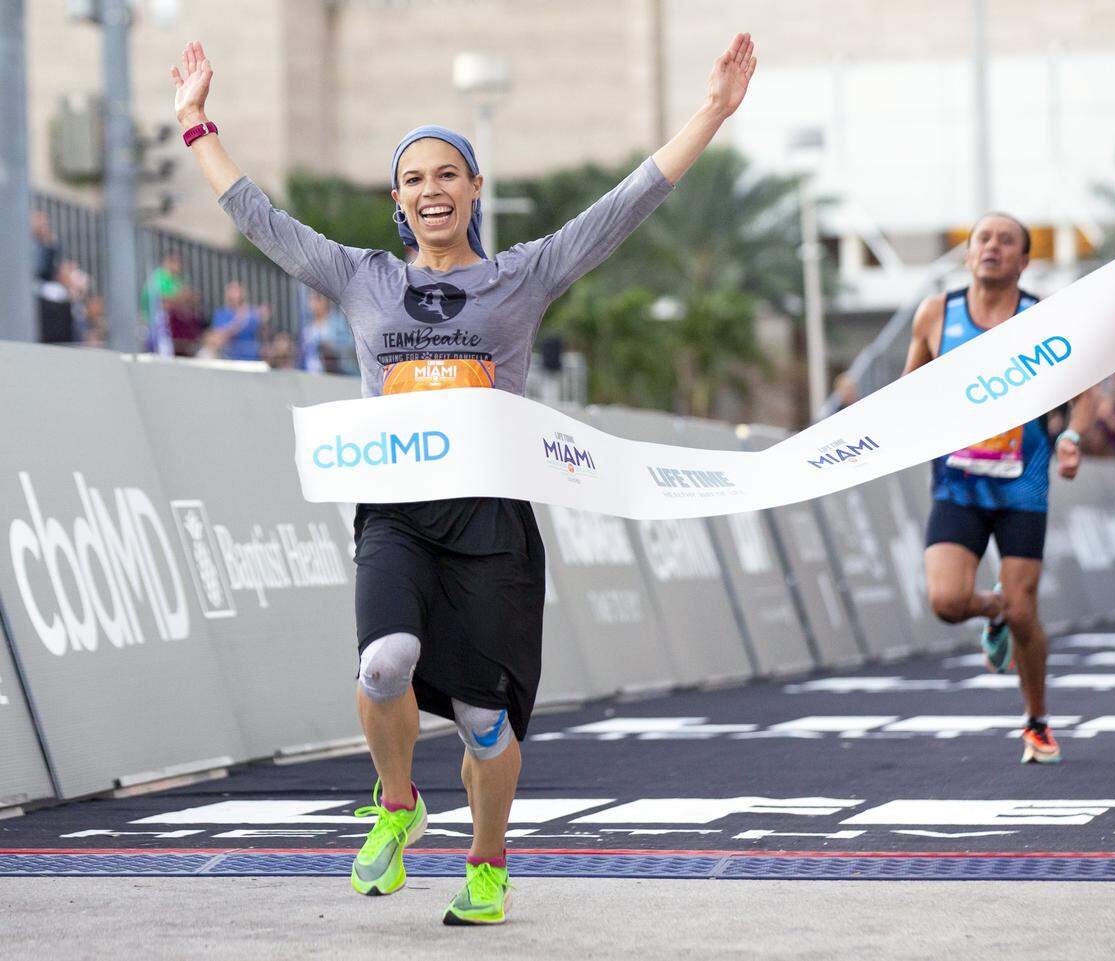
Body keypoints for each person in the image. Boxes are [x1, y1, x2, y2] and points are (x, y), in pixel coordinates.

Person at [171, 33, 756, 924]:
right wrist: (195, 123)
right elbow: (260, 220)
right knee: (383, 663)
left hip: (490, 524)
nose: (431, 189)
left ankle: (487, 862)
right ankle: (397, 802)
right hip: (395, 514)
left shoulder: (524, 276)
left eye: (447, 174)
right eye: (413, 179)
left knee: (486, 723)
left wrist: (711, 111)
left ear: (475, 188)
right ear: (398, 201)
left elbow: (625, 205)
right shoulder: (363, 278)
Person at [902, 212, 1094, 765]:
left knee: (1025, 608)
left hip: (1022, 487)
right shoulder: (936, 314)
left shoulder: (1042, 319)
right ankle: (993, 613)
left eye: (1006, 241)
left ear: (1024, 261)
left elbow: (1085, 391)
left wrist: (1072, 436)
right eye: (982, 239)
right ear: (968, 255)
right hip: (957, 484)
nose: (992, 247)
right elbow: (906, 394)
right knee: (947, 602)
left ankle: (1036, 722)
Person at [299, 291, 357, 375]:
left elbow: (351, 346)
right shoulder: (307, 328)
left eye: (317, 299)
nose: (313, 304)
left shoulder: (338, 323)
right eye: (311, 299)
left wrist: (332, 347)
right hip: (312, 375)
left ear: (327, 302)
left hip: (338, 374)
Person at [141, 251, 186, 356]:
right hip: (153, 319)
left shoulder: (175, 279)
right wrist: (179, 298)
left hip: (167, 321)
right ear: (167, 261)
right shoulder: (160, 277)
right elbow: (164, 301)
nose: (178, 266)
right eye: (175, 262)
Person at [209, 280, 264, 361]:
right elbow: (219, 337)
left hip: (251, 358)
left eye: (236, 291)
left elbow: (261, 334)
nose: (233, 294)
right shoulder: (220, 313)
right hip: (229, 358)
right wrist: (240, 319)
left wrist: (263, 319)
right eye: (230, 291)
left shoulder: (253, 312)